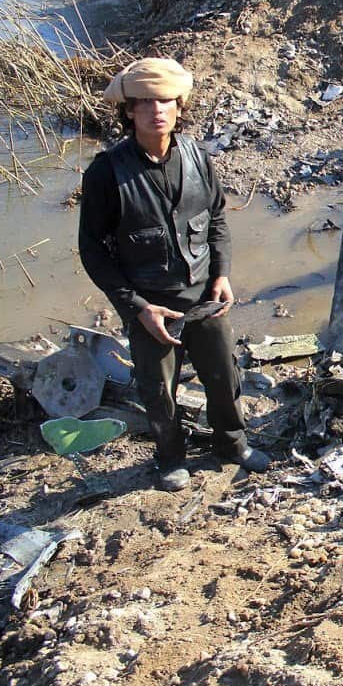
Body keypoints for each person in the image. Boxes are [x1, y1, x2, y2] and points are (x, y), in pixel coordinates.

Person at [78, 58, 270, 491]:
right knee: (158, 390)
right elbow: (92, 251)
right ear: (129, 111)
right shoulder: (107, 172)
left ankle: (232, 444)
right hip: (150, 304)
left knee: (224, 375)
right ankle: (169, 458)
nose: (156, 110)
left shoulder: (197, 157)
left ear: (179, 106)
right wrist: (137, 308)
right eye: (144, 102)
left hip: (205, 295)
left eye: (165, 100)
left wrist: (221, 274)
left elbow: (216, 219)